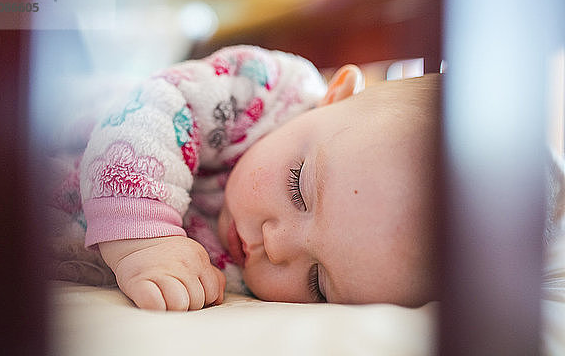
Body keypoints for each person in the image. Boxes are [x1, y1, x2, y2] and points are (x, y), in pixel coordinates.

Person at [62, 45, 440, 311]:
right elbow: (154, 106)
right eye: (298, 188)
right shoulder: (266, 90)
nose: (276, 245)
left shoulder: (251, 285)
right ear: (334, 97)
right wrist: (143, 242)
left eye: (317, 283)